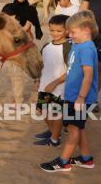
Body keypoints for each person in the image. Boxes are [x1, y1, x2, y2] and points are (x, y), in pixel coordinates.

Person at [39, 10, 99, 172]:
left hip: (79, 99)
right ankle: (86, 159)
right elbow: (72, 71)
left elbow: (88, 75)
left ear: (86, 29)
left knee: (73, 129)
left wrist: (81, 97)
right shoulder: (78, 46)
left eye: (73, 32)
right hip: (72, 96)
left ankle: (63, 161)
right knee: (78, 128)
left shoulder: (86, 48)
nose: (70, 35)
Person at [33, 14, 71, 147]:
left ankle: (55, 139)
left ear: (67, 30)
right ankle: (52, 132)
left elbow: (70, 71)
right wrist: (37, 80)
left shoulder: (68, 48)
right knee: (42, 111)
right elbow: (40, 64)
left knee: (55, 113)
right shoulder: (47, 46)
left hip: (59, 88)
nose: (55, 33)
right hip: (44, 86)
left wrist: (54, 83)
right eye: (52, 30)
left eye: (59, 31)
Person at [2, 0, 43, 103]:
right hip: (11, 45)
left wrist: (24, 29)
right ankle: (18, 98)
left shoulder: (31, 9)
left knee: (31, 67)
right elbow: (4, 27)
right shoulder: (8, 8)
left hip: (26, 44)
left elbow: (30, 28)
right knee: (15, 73)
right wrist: (23, 29)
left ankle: (18, 99)